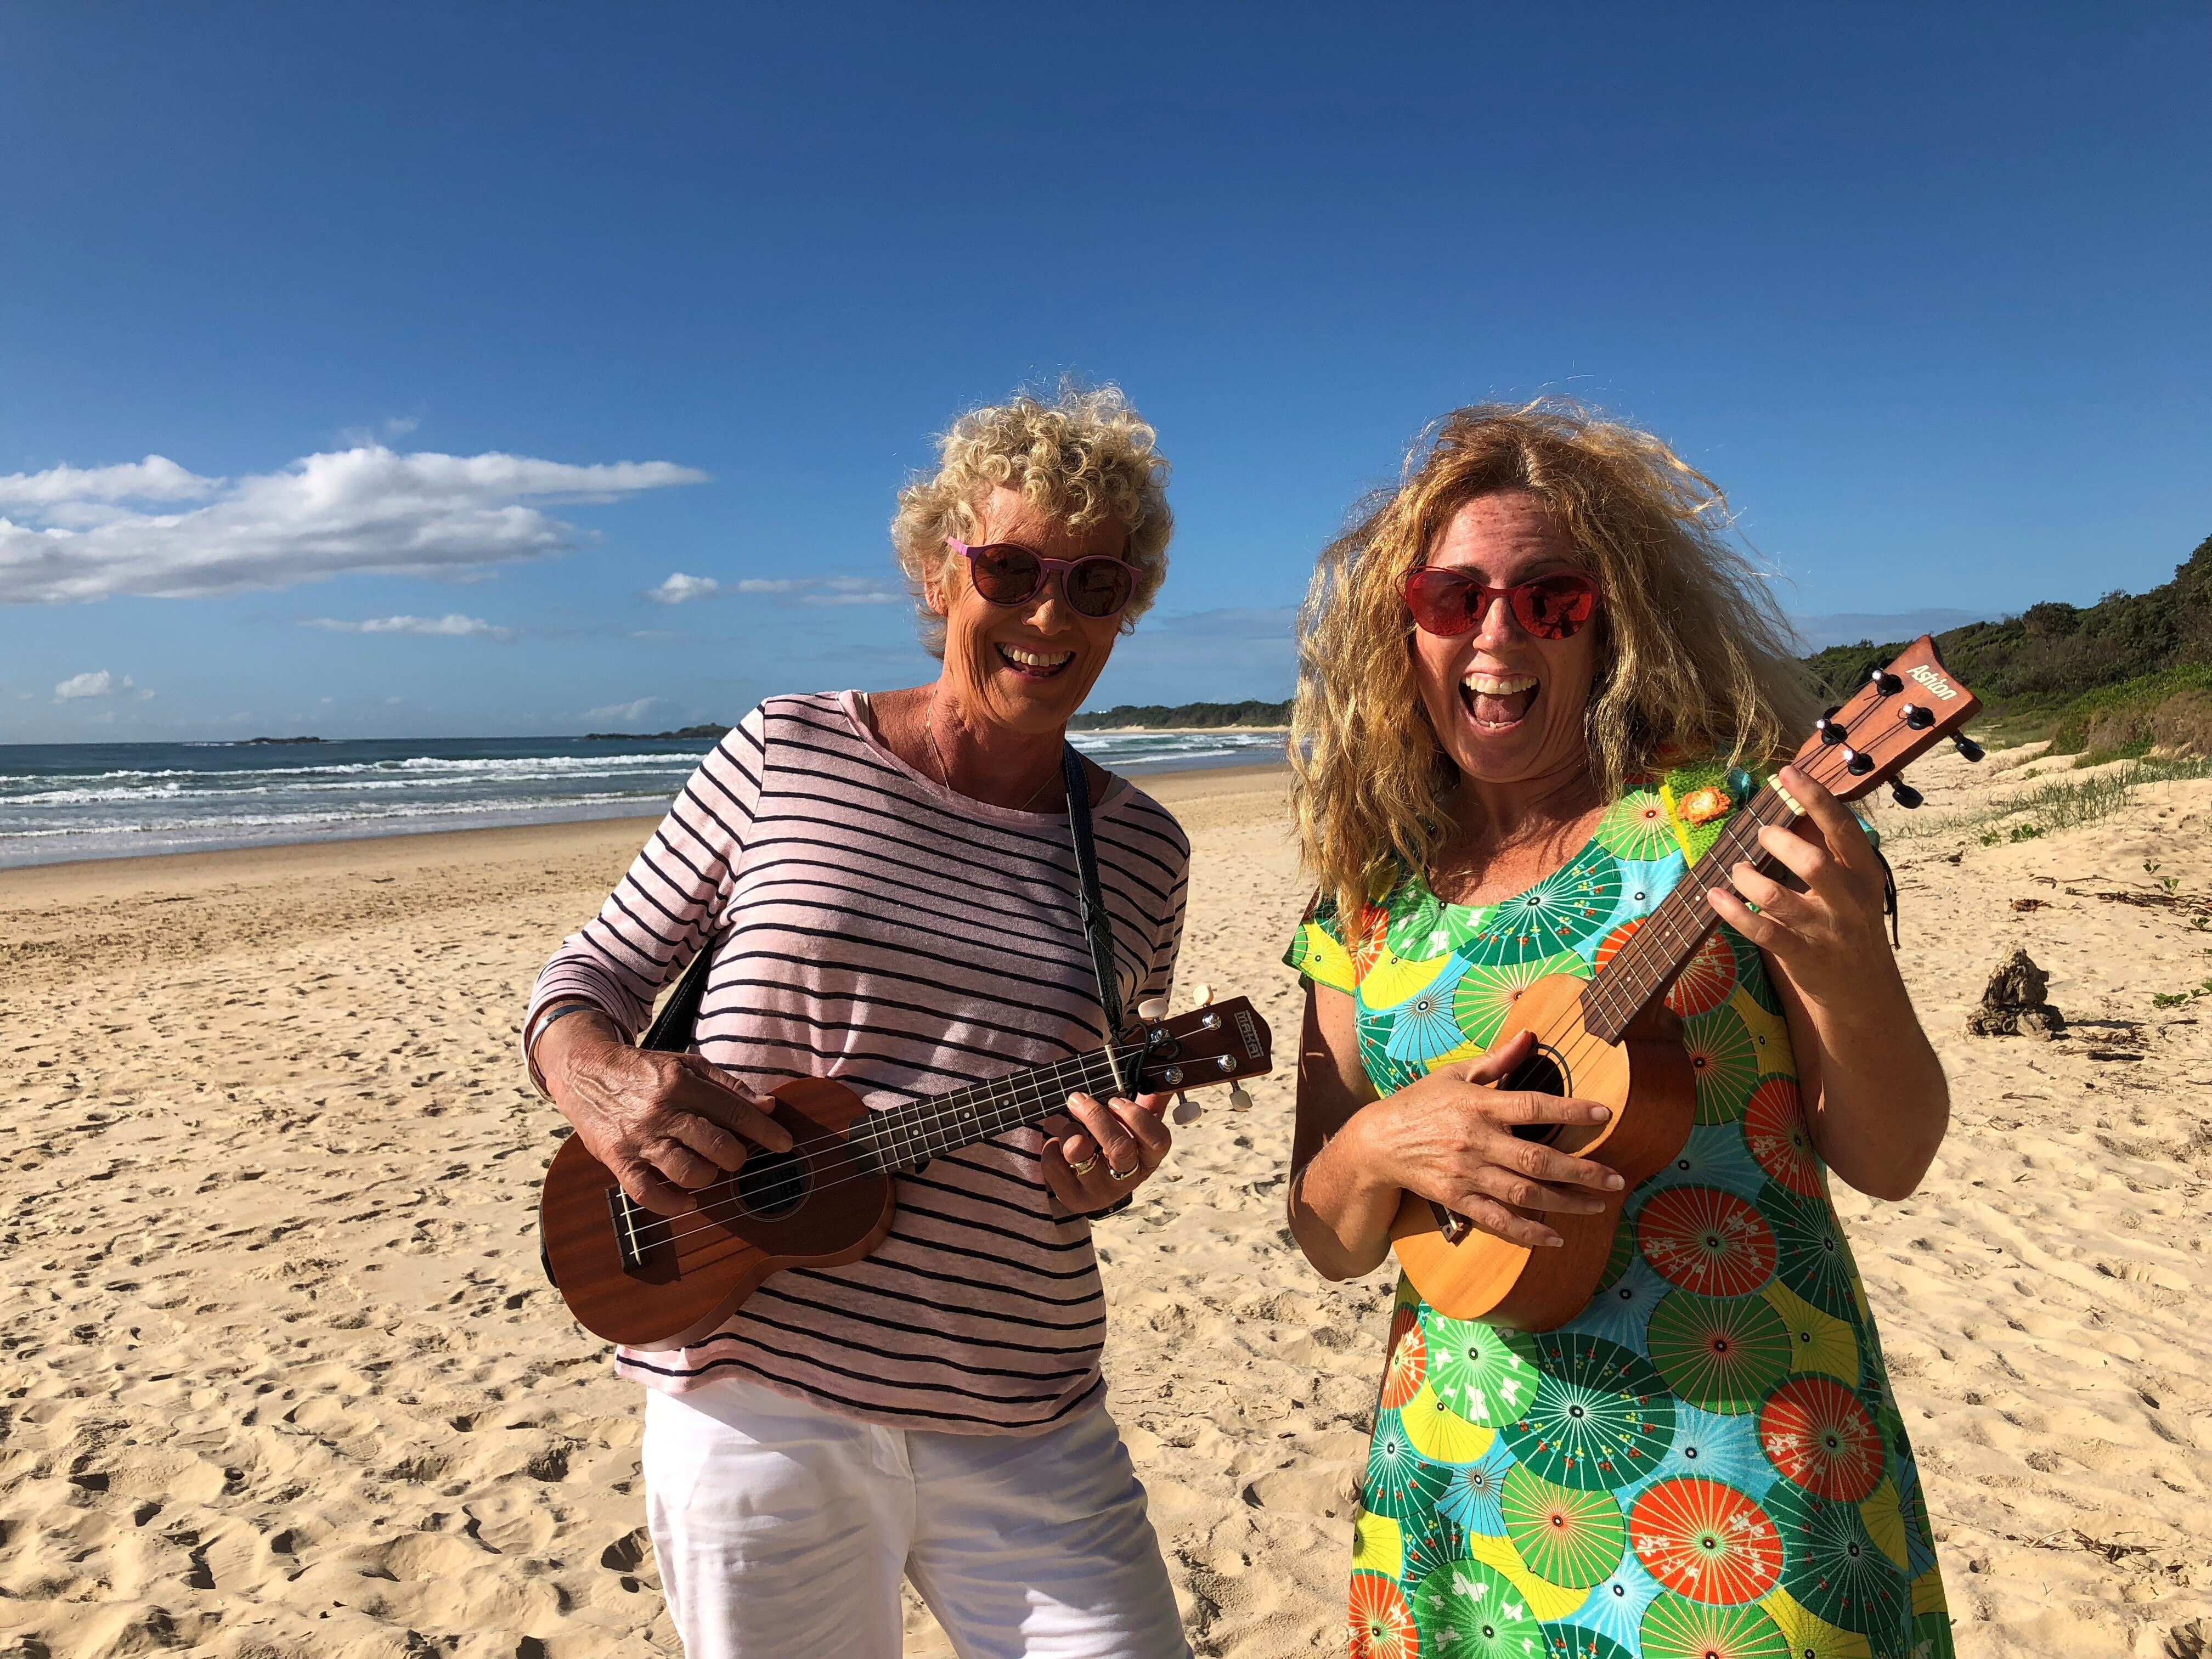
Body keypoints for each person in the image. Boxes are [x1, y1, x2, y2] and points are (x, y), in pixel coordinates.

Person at [523, 385, 1194, 1658]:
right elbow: (590, 979)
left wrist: (1111, 1169)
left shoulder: (1140, 851)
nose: (1049, 614)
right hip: (751, 1399)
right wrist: (600, 1082)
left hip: (1026, 1406)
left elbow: (1092, 1143)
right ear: (941, 573)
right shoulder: (786, 750)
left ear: (1129, 605)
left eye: (1095, 584)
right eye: (1011, 568)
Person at [1280, 402, 1954, 1659]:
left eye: (1550, 599)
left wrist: (1853, 967)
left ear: (1612, 622)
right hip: (1457, 1490)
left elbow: (1894, 1155)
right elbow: (1327, 1237)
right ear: (1402, 629)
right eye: (1452, 598)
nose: (1497, 633)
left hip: (1744, 1485)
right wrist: (1379, 1146)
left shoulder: (1728, 826)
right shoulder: (1368, 904)